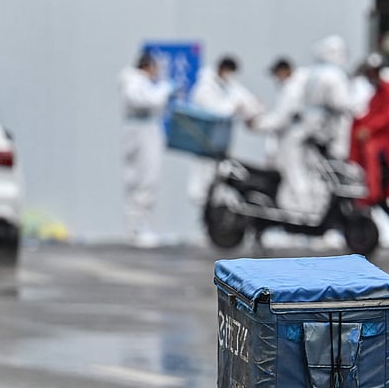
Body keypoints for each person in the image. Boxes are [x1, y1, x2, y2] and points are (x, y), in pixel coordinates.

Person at [269, 35, 358, 223]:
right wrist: (359, 108)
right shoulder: (334, 75)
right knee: (325, 174)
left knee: (308, 171)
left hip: (307, 129)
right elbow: (342, 103)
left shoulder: (312, 73)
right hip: (326, 131)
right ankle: (310, 213)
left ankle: (305, 211)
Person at [350, 53, 389, 246]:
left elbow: (388, 116)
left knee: (377, 198)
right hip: (378, 156)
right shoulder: (377, 94)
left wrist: (368, 129)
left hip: (384, 158)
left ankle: (373, 233)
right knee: (377, 200)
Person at [186, 55, 263, 207]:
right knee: (204, 180)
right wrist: (234, 106)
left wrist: (255, 108)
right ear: (223, 69)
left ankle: (217, 215)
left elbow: (246, 100)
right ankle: (206, 215)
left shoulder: (229, 85)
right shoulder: (204, 87)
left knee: (222, 176)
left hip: (221, 142)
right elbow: (216, 112)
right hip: (205, 142)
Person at [118, 51, 174, 248]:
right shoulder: (136, 82)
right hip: (142, 135)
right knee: (145, 181)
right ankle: (137, 229)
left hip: (141, 133)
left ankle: (138, 227)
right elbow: (146, 101)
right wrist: (164, 90)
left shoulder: (136, 82)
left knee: (140, 182)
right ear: (148, 67)